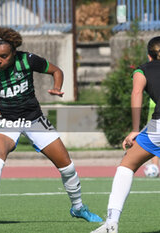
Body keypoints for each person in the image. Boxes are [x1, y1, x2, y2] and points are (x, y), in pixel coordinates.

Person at [0, 27, 102, 223]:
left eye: (3, 56)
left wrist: (57, 88)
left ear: (14, 52)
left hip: (34, 120)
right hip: (7, 121)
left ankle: (78, 208)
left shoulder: (28, 60)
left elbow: (56, 71)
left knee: (67, 167)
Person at [91, 36, 160, 233]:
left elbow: (136, 94)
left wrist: (135, 129)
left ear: (149, 55)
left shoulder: (143, 70)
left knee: (127, 164)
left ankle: (111, 224)